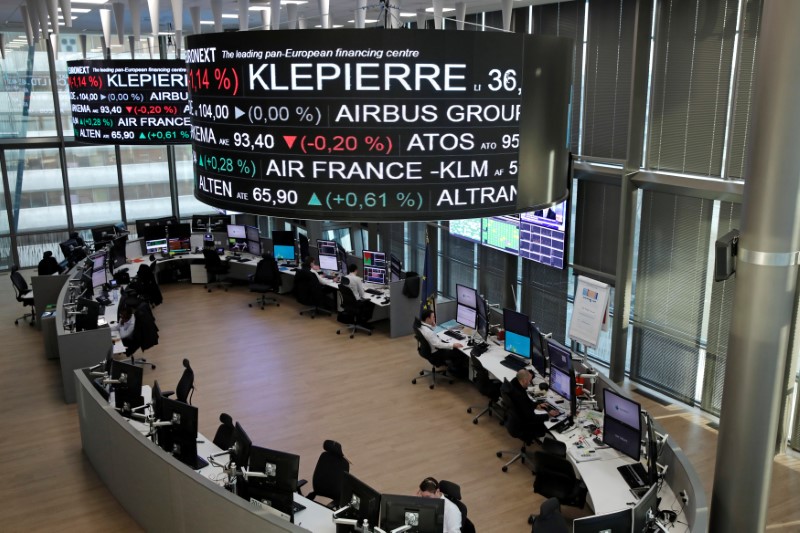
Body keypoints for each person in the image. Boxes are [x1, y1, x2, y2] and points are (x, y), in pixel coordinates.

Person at [506, 368, 560, 441]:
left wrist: (536, 405)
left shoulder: (515, 383)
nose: (530, 382)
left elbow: (526, 400)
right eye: (529, 380)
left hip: (514, 421)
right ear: (524, 380)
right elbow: (531, 418)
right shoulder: (518, 396)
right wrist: (548, 415)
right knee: (549, 425)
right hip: (521, 426)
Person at [418, 309, 468, 376]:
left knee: (449, 344)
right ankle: (455, 370)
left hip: (426, 351)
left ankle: (452, 366)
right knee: (458, 352)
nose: (434, 318)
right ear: (427, 319)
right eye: (433, 317)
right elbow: (438, 344)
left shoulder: (421, 326)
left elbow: (432, 333)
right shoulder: (428, 332)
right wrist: (452, 345)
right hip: (435, 353)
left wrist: (434, 325)